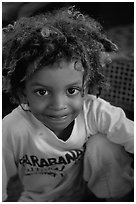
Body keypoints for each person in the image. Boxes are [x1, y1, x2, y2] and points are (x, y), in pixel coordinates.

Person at [2, 6, 134, 202]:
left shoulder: (93, 110)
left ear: (85, 88)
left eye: (71, 91)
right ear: (23, 94)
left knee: (102, 145)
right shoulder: (12, 128)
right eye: (42, 92)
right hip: (42, 198)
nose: (58, 105)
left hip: (89, 189)